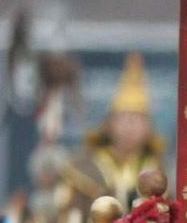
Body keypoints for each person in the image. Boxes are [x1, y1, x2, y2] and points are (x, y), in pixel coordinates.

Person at [60, 54, 165, 209]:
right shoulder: (82, 169)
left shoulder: (159, 170)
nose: (130, 126)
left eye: (137, 119)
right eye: (124, 118)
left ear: (149, 127)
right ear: (109, 123)